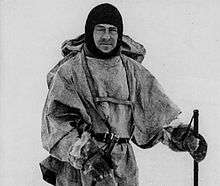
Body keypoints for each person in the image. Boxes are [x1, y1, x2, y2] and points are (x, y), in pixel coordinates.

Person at [40, 3, 207, 186]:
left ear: (119, 34)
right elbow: (56, 123)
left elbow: (154, 120)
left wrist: (184, 137)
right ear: (89, 32)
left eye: (112, 30)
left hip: (122, 169)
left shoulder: (132, 71)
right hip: (81, 172)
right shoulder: (70, 71)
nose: (106, 36)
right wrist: (87, 155)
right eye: (100, 29)